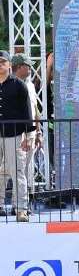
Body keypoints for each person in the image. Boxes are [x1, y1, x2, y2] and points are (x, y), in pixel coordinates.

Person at [0, 51, 33, 222]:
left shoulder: (19, 85)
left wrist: (28, 136)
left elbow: (27, 112)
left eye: (2, 61)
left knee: (17, 171)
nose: (0, 64)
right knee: (1, 173)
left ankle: (21, 209)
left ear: (9, 64)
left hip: (13, 134)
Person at [11, 54, 42, 215]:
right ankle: (11, 204)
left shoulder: (30, 85)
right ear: (18, 66)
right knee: (10, 170)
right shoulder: (8, 84)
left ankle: (20, 205)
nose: (30, 69)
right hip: (14, 133)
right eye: (27, 65)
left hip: (29, 133)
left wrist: (39, 132)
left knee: (24, 170)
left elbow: (36, 109)